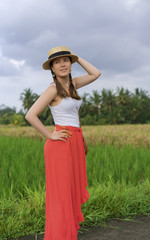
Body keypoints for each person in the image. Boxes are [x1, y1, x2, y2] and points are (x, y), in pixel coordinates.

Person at [25, 46, 101, 240]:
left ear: (70, 63)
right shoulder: (52, 90)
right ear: (52, 68)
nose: (62, 64)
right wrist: (50, 136)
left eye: (65, 60)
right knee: (61, 195)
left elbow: (96, 73)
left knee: (70, 191)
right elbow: (31, 115)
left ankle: (68, 233)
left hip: (74, 141)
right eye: (57, 62)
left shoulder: (74, 84)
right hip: (60, 144)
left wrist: (77, 57)